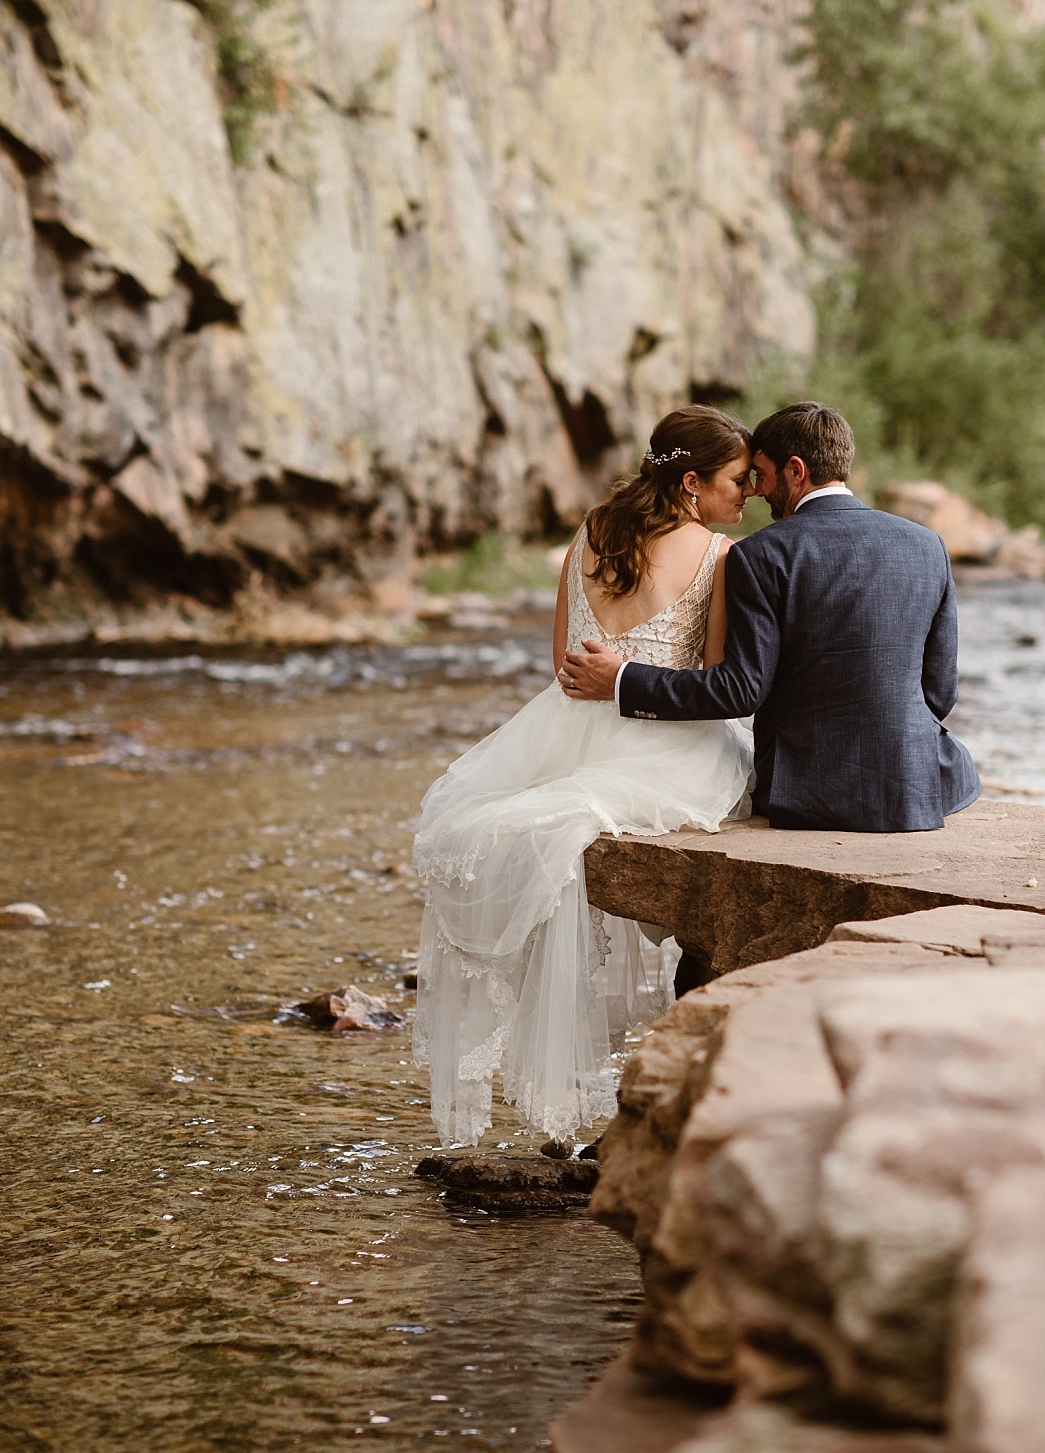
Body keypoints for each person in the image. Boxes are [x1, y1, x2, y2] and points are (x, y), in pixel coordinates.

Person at [412, 405, 756, 1146]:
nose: (747, 493)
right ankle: (588, 1078)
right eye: (736, 480)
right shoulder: (718, 554)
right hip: (665, 733)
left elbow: (561, 665)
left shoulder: (589, 531)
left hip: (561, 726)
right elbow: (712, 678)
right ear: (692, 483)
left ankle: (549, 1088)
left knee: (534, 818)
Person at [562, 401, 980, 832]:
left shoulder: (761, 554)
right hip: (916, 788)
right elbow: (939, 693)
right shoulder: (927, 545)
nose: (756, 491)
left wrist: (621, 679)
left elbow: (741, 691)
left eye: (760, 475)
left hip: (804, 791)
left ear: (796, 471)